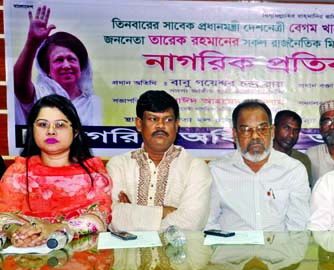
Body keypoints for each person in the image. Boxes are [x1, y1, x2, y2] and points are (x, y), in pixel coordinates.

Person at [0, 94, 111, 247]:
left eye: (60, 125)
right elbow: (4, 216)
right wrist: (17, 231)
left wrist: (57, 228)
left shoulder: (93, 173)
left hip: (79, 258)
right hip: (27, 256)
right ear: (32, 129)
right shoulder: (17, 173)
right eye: (43, 125)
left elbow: (100, 216)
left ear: (76, 131)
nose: (51, 131)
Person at [107, 90, 212, 232]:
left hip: (177, 253)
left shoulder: (195, 167)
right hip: (129, 253)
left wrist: (132, 213)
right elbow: (111, 218)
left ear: (177, 125)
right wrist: (164, 212)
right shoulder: (119, 165)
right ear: (139, 124)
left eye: (168, 120)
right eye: (153, 119)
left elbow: (191, 223)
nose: (161, 126)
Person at [206, 100, 311, 231]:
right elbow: (209, 223)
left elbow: (298, 226)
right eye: (246, 130)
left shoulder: (293, 170)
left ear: (272, 131)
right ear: (235, 135)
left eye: (262, 129)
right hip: (231, 249)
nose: (255, 136)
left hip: (277, 249)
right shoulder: (216, 171)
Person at [13, 5, 102, 125]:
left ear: (81, 66)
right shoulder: (41, 94)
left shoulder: (93, 103)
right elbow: (19, 85)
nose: (66, 65)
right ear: (47, 70)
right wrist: (32, 43)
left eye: (71, 59)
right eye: (59, 60)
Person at [272, 110, 313, 186]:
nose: (291, 135)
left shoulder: (302, 160)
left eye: (296, 131)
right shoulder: (262, 156)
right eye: (286, 128)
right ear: (274, 129)